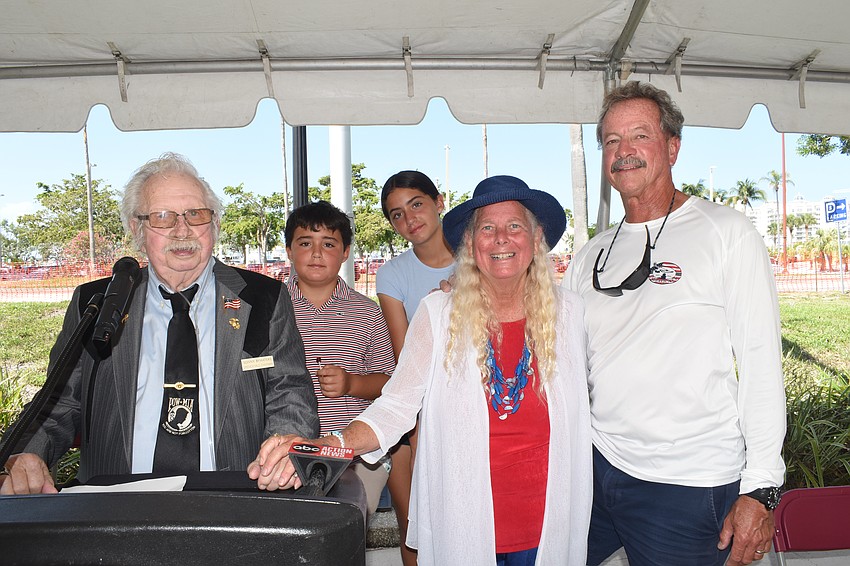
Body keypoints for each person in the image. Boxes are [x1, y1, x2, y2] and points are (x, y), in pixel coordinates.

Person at [250, 175, 592, 566]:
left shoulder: (571, 313)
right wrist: (329, 445)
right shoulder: (439, 313)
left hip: (548, 513)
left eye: (514, 226)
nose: (501, 238)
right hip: (466, 512)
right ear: (469, 244)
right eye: (487, 228)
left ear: (536, 238)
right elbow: (397, 403)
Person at [0, 152, 318, 495]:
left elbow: (290, 392)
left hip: (232, 497)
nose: (182, 230)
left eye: (195, 215)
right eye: (163, 217)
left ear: (213, 224)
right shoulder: (95, 303)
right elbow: (60, 401)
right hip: (115, 501)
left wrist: (286, 445)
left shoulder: (263, 297)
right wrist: (24, 454)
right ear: (138, 228)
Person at [563, 82, 786, 566]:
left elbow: (761, 361)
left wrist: (762, 488)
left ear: (672, 147)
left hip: (687, 483)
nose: (623, 152)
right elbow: (555, 347)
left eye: (638, 136)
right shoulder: (590, 255)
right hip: (599, 469)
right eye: (611, 141)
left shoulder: (726, 233)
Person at [283, 200, 395, 518]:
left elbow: (389, 384)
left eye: (329, 244)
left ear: (345, 252)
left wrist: (351, 383)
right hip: (286, 454)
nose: (317, 254)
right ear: (289, 250)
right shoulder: (271, 310)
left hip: (354, 457)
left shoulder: (367, 312)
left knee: (344, 543)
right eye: (305, 243)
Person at [376, 170, 455, 565]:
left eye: (416, 205)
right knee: (418, 528)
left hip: (488, 405)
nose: (409, 220)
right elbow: (405, 357)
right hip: (426, 409)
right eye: (397, 215)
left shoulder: (481, 257)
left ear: (439, 202)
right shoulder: (392, 275)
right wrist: (420, 427)